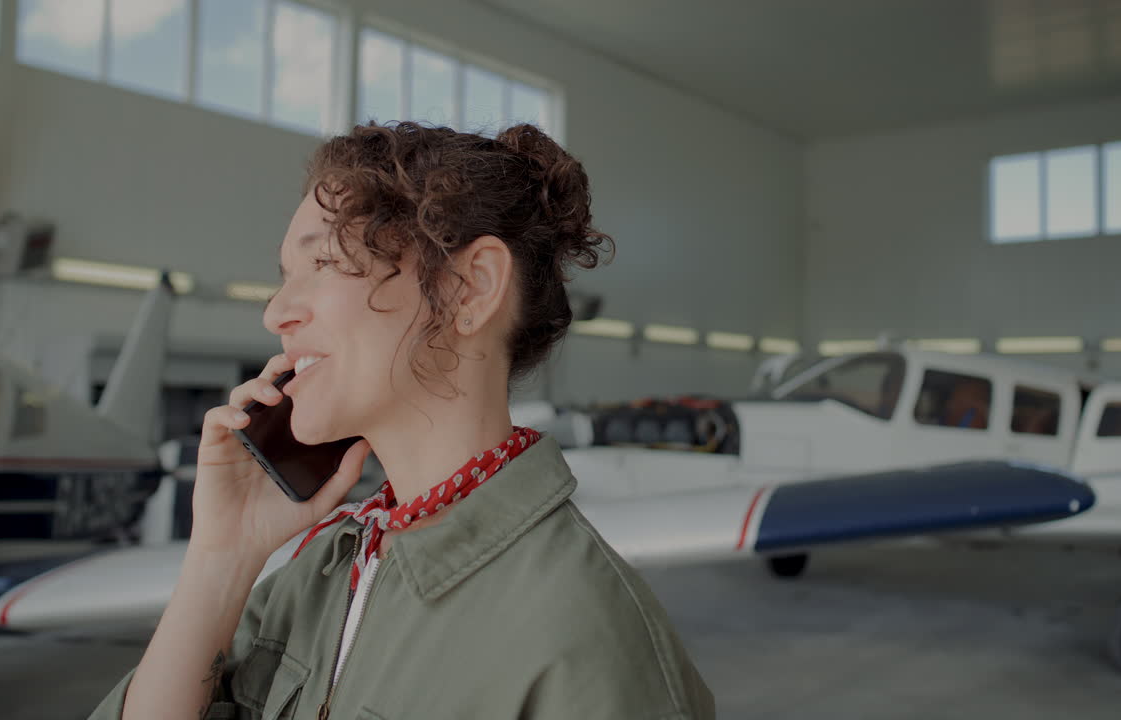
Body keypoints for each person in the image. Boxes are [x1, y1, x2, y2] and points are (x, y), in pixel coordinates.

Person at [89, 122, 715, 719]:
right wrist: (222, 555)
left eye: (326, 263)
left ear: (470, 287)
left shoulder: (585, 642)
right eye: (284, 277)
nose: (276, 313)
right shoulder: (321, 573)